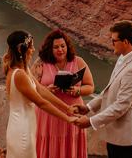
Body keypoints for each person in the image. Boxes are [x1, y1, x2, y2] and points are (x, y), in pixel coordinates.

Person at [73, 20, 132, 158]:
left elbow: (121, 106)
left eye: (114, 40)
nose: (111, 43)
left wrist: (90, 121)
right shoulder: (125, 57)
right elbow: (109, 89)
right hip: (116, 130)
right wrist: (89, 107)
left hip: (124, 134)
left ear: (125, 42)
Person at [4, 30, 79, 158]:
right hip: (21, 130)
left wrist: (67, 108)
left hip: (27, 125)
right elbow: (41, 102)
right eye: (31, 46)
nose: (33, 49)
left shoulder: (24, 69)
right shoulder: (19, 75)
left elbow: (41, 90)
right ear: (20, 48)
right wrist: (68, 119)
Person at [32, 29, 95, 158]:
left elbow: (90, 87)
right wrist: (47, 90)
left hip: (73, 110)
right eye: (56, 47)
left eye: (63, 46)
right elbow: (32, 88)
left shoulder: (79, 61)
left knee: (70, 145)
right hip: (48, 114)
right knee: (49, 144)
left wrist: (78, 90)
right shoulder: (41, 63)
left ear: (67, 46)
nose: (60, 50)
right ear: (50, 48)